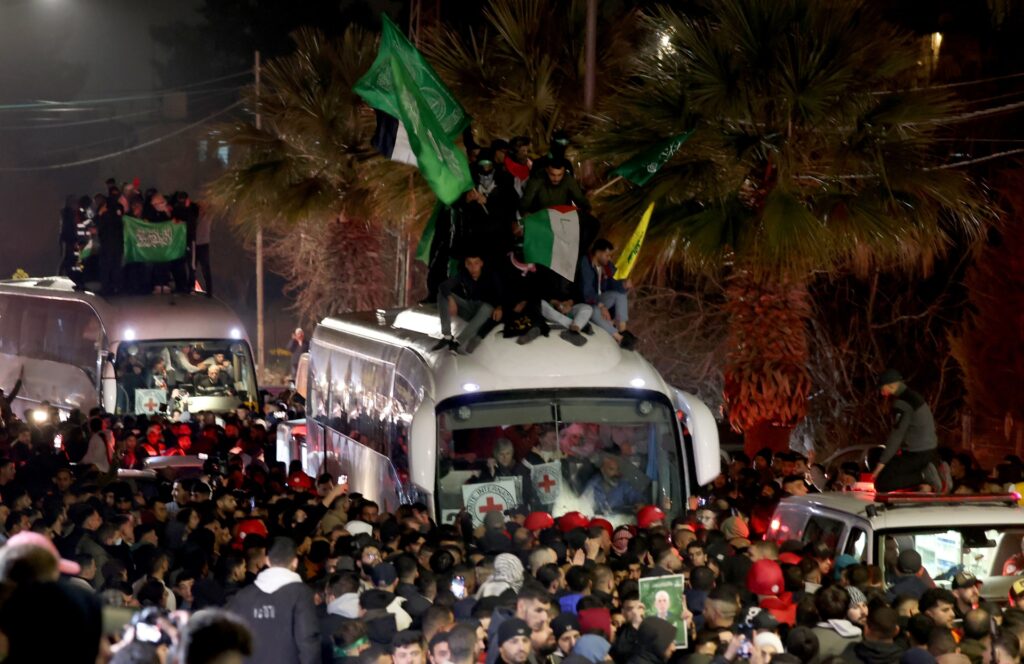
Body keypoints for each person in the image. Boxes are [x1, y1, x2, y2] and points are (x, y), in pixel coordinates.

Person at [228, 537, 320, 664]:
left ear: (267, 561)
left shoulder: (244, 595)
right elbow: (307, 641)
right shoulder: (302, 594)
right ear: (295, 562)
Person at [871, 369, 943, 493]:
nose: (882, 393)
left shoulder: (903, 403)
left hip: (916, 454)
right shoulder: (915, 397)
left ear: (892, 385)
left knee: (882, 483)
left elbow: (896, 436)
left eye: (883, 388)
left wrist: (880, 466)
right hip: (930, 451)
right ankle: (927, 477)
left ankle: (924, 476)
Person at [432, 254, 501, 354]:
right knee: (442, 294)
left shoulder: (491, 275)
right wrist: (450, 298)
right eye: (469, 264)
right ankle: (447, 336)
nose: (473, 268)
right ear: (465, 264)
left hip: (487, 312)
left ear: (481, 264)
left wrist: (500, 307)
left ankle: (457, 342)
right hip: (470, 308)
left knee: (487, 307)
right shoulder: (464, 274)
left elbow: (503, 295)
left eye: (476, 263)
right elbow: (443, 286)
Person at [577, 239, 637, 350]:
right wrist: (601, 305)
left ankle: (623, 331)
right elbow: (586, 291)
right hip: (586, 301)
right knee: (593, 311)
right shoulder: (585, 262)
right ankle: (618, 337)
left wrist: (623, 285)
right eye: (607, 255)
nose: (609, 258)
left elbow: (613, 284)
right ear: (598, 252)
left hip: (600, 300)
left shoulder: (607, 267)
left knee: (620, 295)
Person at [519, 157, 590, 215]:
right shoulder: (537, 179)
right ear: (547, 170)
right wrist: (525, 213)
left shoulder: (568, 179)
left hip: (563, 216)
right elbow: (526, 201)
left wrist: (586, 209)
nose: (556, 179)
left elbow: (580, 199)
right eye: (552, 175)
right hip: (541, 217)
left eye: (559, 175)